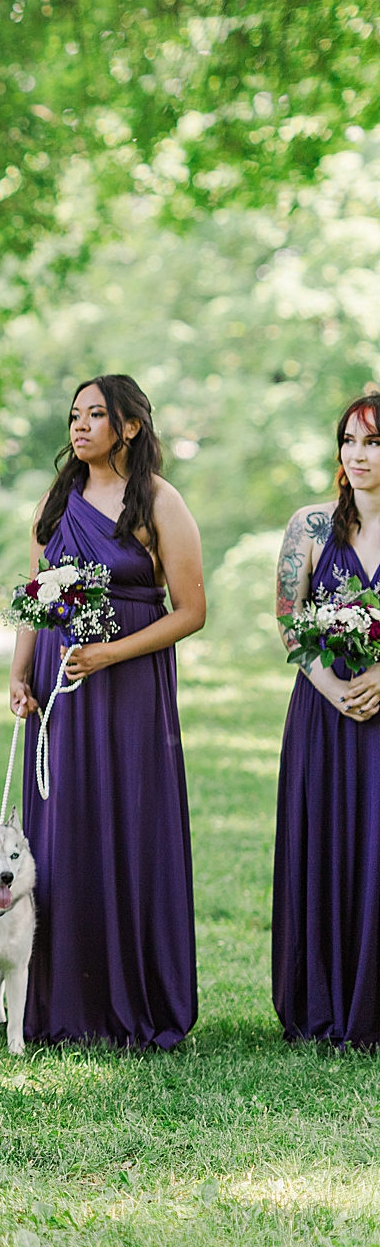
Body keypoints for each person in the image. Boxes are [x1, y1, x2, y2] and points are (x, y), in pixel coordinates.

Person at [9, 374, 206, 1049]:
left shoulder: (158, 500)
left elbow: (191, 611)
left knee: (128, 825)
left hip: (127, 691)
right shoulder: (58, 499)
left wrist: (111, 654)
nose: (80, 425)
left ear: (128, 426)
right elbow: (35, 595)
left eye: (96, 414)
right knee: (63, 833)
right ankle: (64, 1001)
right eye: (74, 414)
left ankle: (134, 997)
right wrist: (18, 673)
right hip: (59, 690)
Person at [272, 392, 380, 1047]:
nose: (358, 454)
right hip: (324, 711)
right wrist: (332, 687)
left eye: (373, 442)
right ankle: (324, 1001)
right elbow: (289, 620)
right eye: (350, 441)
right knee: (329, 844)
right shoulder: (310, 527)